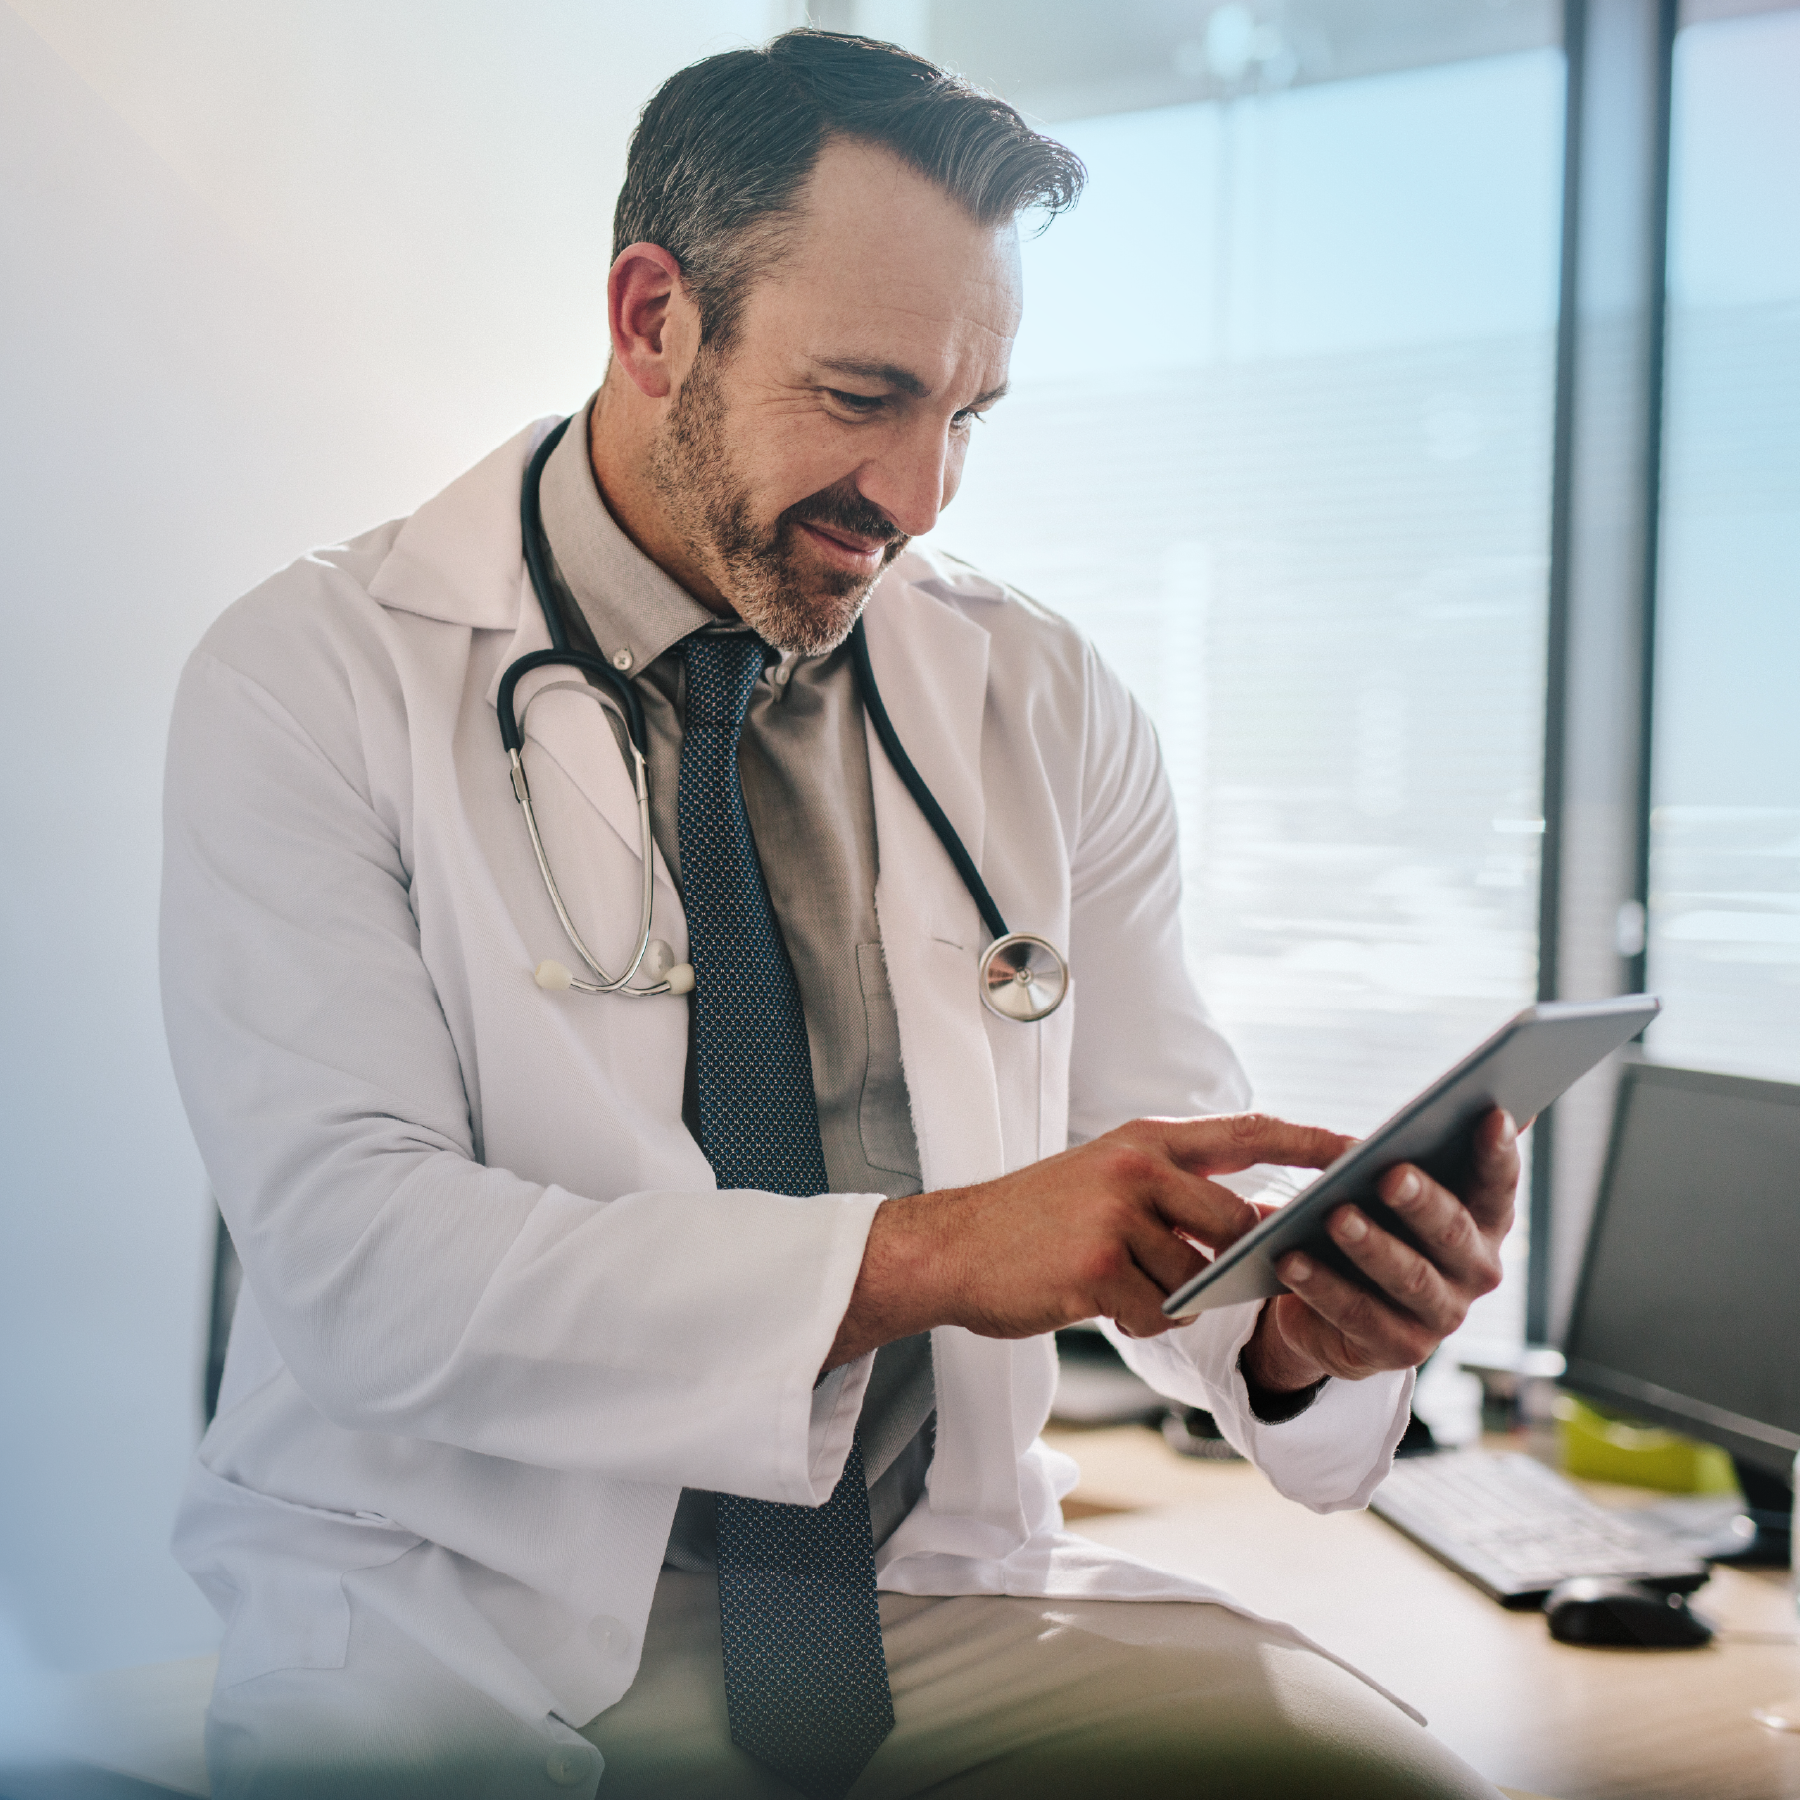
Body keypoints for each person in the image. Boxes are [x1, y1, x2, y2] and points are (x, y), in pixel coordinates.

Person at [160, 29, 1517, 1800]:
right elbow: (363, 1272)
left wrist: (1291, 1325)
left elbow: (1155, 1175)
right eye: (865, 396)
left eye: (968, 418)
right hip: (446, 1619)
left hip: (915, 1605)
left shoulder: (1039, 697)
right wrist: (932, 1252)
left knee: (1381, 1783)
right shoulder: (315, 676)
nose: (921, 495)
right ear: (657, 319)